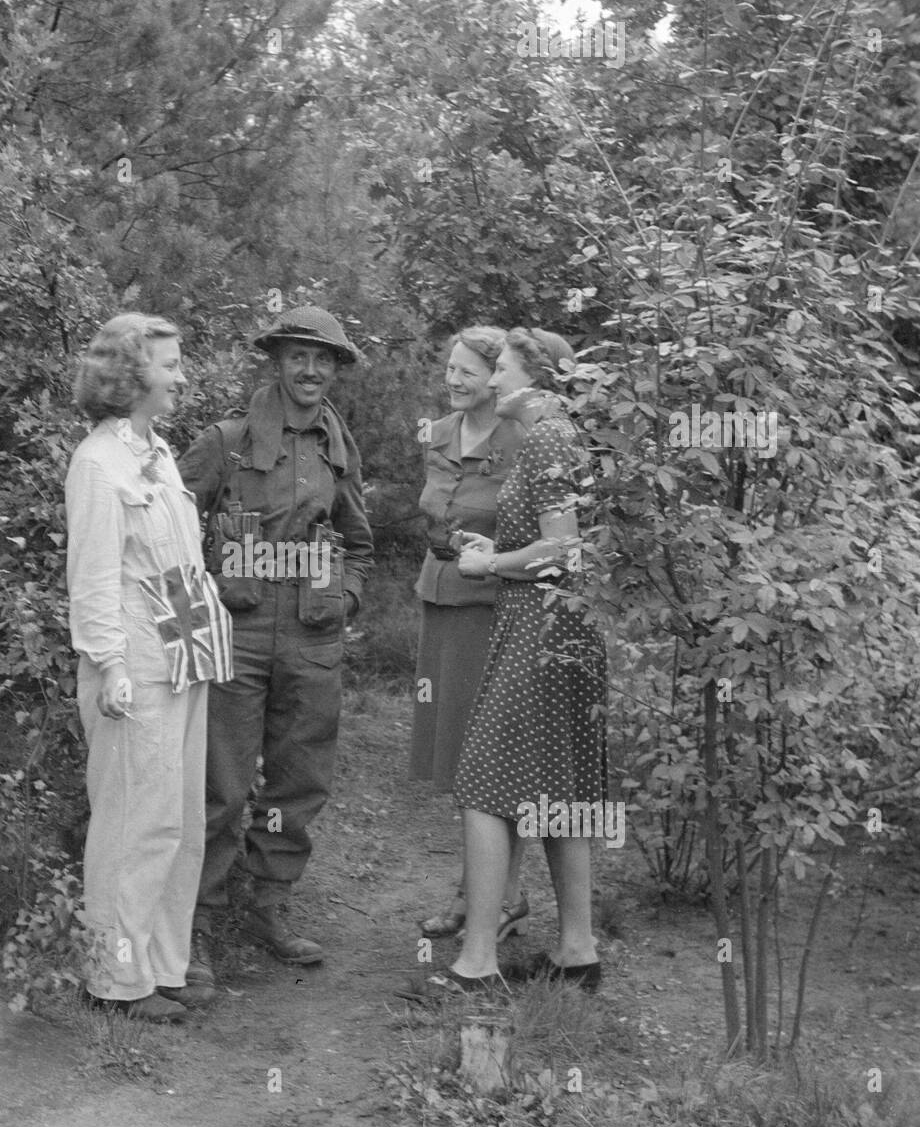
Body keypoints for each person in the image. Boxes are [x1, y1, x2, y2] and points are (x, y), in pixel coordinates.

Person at [176, 305, 374, 984]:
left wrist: (342, 595)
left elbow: (359, 544)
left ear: (336, 370)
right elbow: (167, 533)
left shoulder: (335, 448)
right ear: (276, 361)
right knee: (222, 786)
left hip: (314, 634)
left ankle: (269, 907)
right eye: (298, 356)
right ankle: (195, 926)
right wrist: (194, 611)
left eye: (324, 359)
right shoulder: (225, 442)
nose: (311, 369)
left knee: (299, 780)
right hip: (240, 631)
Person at [423, 326, 607, 996]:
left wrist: (491, 563)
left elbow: (566, 551)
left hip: (543, 632)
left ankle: (477, 964)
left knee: (483, 784)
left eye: (500, 368)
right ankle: (577, 951)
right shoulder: (551, 441)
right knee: (558, 789)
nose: (492, 380)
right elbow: (557, 541)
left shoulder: (550, 439)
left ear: (537, 380)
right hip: (553, 626)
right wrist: (494, 546)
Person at [65, 313, 233, 1021]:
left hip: (185, 646)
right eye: (169, 364)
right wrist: (108, 667)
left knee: (178, 820)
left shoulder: (156, 454)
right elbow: (95, 578)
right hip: (134, 658)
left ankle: (164, 965)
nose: (182, 374)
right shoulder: (98, 464)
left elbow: (181, 561)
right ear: (132, 375)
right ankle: (114, 980)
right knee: (134, 819)